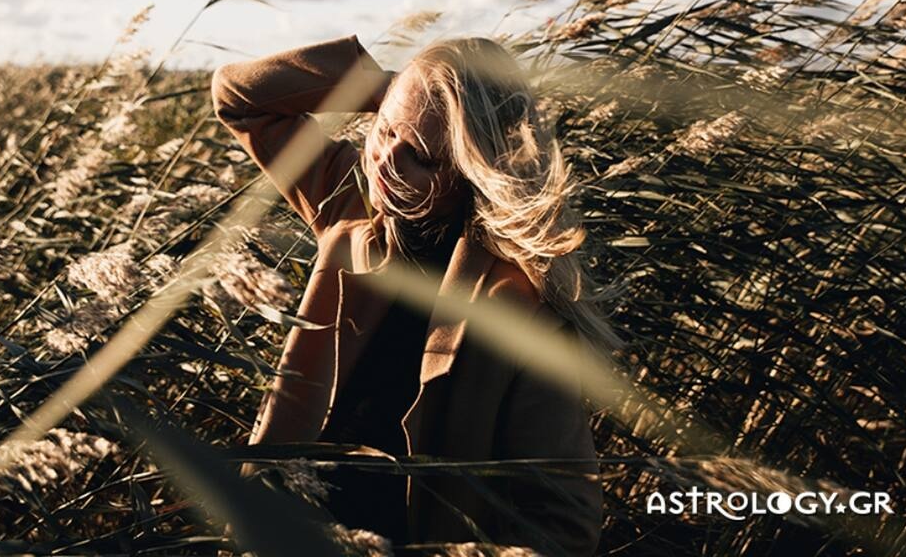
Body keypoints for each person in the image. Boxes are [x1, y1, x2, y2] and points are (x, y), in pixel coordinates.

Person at [210, 33, 619, 556]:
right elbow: (240, 99)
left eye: (421, 156)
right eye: (382, 133)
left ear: (474, 170)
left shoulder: (520, 310)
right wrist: (400, 88)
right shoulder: (349, 207)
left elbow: (566, 523)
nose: (384, 160)